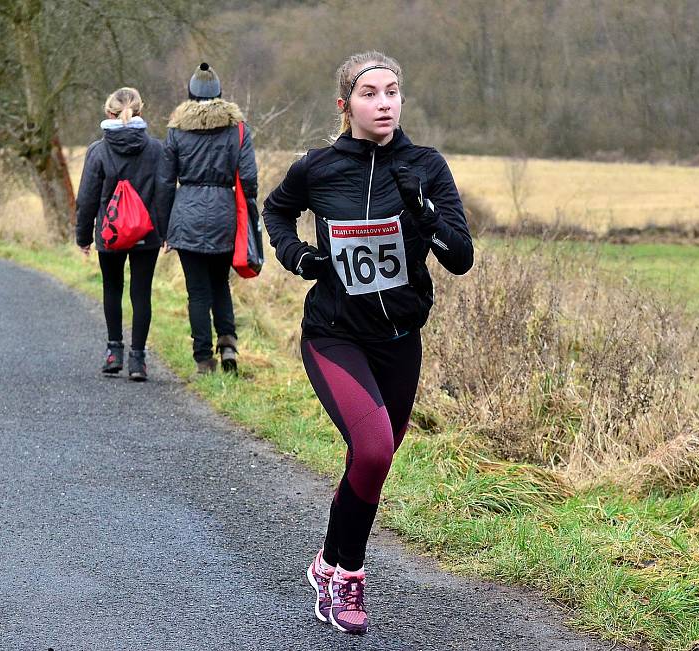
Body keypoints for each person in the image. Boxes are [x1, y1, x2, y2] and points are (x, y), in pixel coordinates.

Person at [262, 51, 474, 634]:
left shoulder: (426, 166)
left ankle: (327, 561)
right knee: (375, 449)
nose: (384, 103)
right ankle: (347, 583)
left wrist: (423, 210)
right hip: (334, 336)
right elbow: (276, 213)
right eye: (370, 93)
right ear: (345, 105)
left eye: (392, 92)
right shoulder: (318, 168)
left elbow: (461, 258)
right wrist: (300, 256)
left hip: (400, 340)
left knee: (370, 460)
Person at [156, 62, 259, 374]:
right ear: (219, 94)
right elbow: (250, 179)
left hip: (185, 215)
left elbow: (164, 182)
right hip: (225, 215)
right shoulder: (238, 129)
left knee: (197, 292)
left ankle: (203, 360)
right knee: (220, 286)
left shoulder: (176, 132)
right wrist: (247, 212)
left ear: (190, 94)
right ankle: (228, 345)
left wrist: (165, 227)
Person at [75, 87, 163, 381]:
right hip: (146, 233)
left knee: (112, 289)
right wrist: (164, 232)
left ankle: (114, 353)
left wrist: (84, 236)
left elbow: (87, 198)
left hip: (110, 235)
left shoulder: (98, 151)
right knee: (141, 293)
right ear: (140, 111)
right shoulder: (156, 150)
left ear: (108, 113)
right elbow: (164, 194)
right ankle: (138, 360)